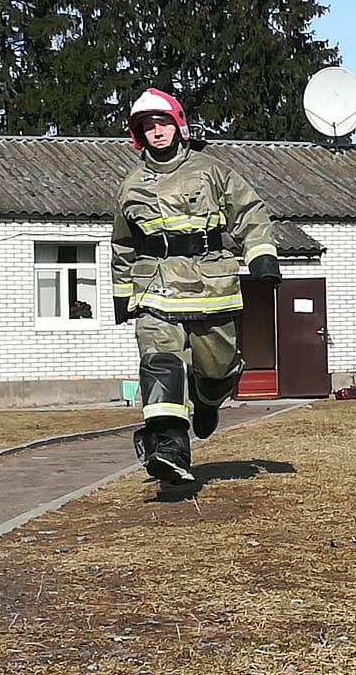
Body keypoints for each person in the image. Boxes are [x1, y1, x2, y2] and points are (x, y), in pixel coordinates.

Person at [111, 88, 281, 485]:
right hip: (155, 289)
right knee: (161, 364)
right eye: (147, 127)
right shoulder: (130, 186)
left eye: (162, 123)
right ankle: (169, 447)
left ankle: (208, 400)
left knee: (216, 369)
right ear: (138, 135)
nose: (156, 132)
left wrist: (261, 256)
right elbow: (122, 244)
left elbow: (250, 212)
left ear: (179, 125)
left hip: (210, 288)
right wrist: (123, 295)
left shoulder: (212, 171)